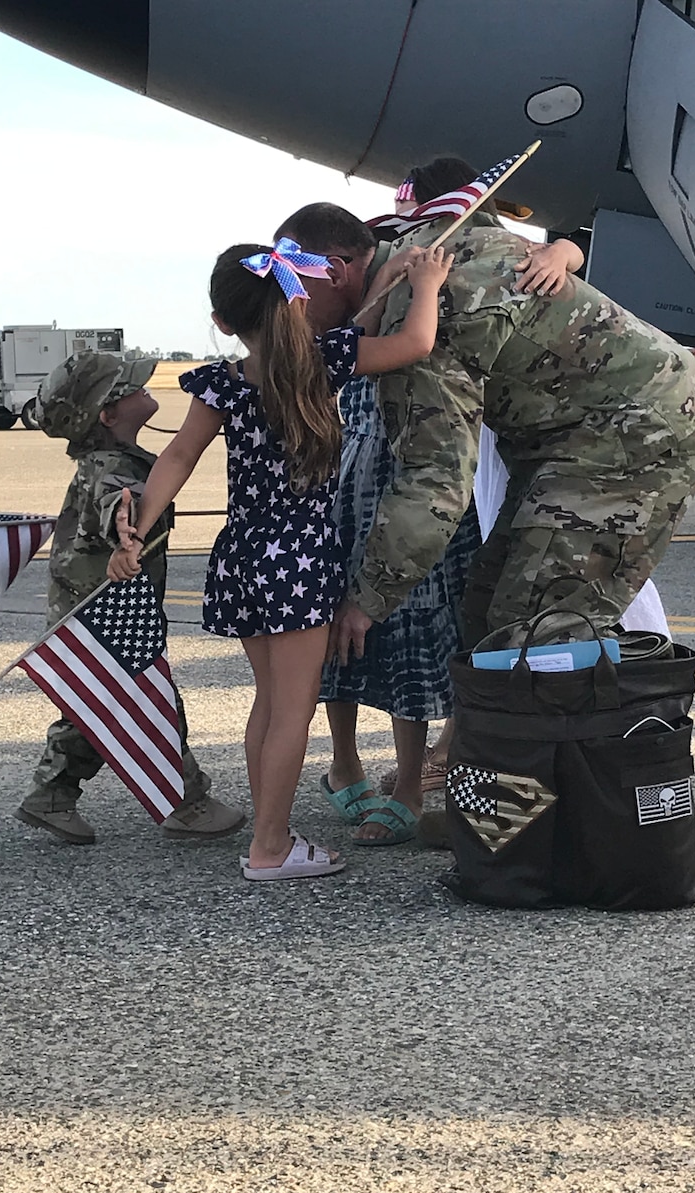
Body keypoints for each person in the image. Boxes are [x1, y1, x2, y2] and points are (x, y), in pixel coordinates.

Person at [107, 238, 454, 881]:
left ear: (224, 323)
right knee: (292, 713)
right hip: (299, 557)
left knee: (268, 706)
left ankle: (273, 833)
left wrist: (138, 528)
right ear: (296, 299)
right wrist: (427, 284)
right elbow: (414, 344)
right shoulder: (327, 361)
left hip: (244, 553)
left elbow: (178, 458)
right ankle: (270, 847)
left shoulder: (224, 382)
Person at [274, 195, 695, 700]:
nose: (292, 310)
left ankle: (584, 770)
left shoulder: (424, 312)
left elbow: (435, 479)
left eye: (293, 291)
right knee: (485, 611)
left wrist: (367, 599)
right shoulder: (422, 259)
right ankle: (506, 766)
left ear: (334, 271)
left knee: (536, 630)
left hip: (634, 435)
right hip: (578, 439)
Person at [319, 157, 585, 846]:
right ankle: (346, 761)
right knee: (341, 633)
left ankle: (419, 776)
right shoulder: (395, 251)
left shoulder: (471, 258)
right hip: (361, 471)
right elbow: (360, 324)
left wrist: (562, 249)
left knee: (422, 631)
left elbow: (565, 250)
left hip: (433, 470)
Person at [16, 351, 246, 846]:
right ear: (108, 415)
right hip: (99, 610)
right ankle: (185, 802)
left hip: (90, 605)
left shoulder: (117, 459)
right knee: (143, 697)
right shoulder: (111, 468)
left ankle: (52, 795)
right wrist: (125, 526)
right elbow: (114, 504)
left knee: (92, 706)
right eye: (131, 389)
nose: (146, 389)